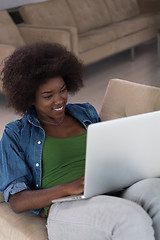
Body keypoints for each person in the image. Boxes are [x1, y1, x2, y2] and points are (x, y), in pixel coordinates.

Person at [0, 41, 159, 240]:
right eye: (48, 96)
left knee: (156, 190)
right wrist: (67, 188)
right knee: (129, 217)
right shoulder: (15, 134)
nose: (59, 100)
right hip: (64, 207)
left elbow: (108, 153)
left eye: (63, 90)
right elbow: (17, 201)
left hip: (110, 190)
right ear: (30, 98)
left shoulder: (85, 112)